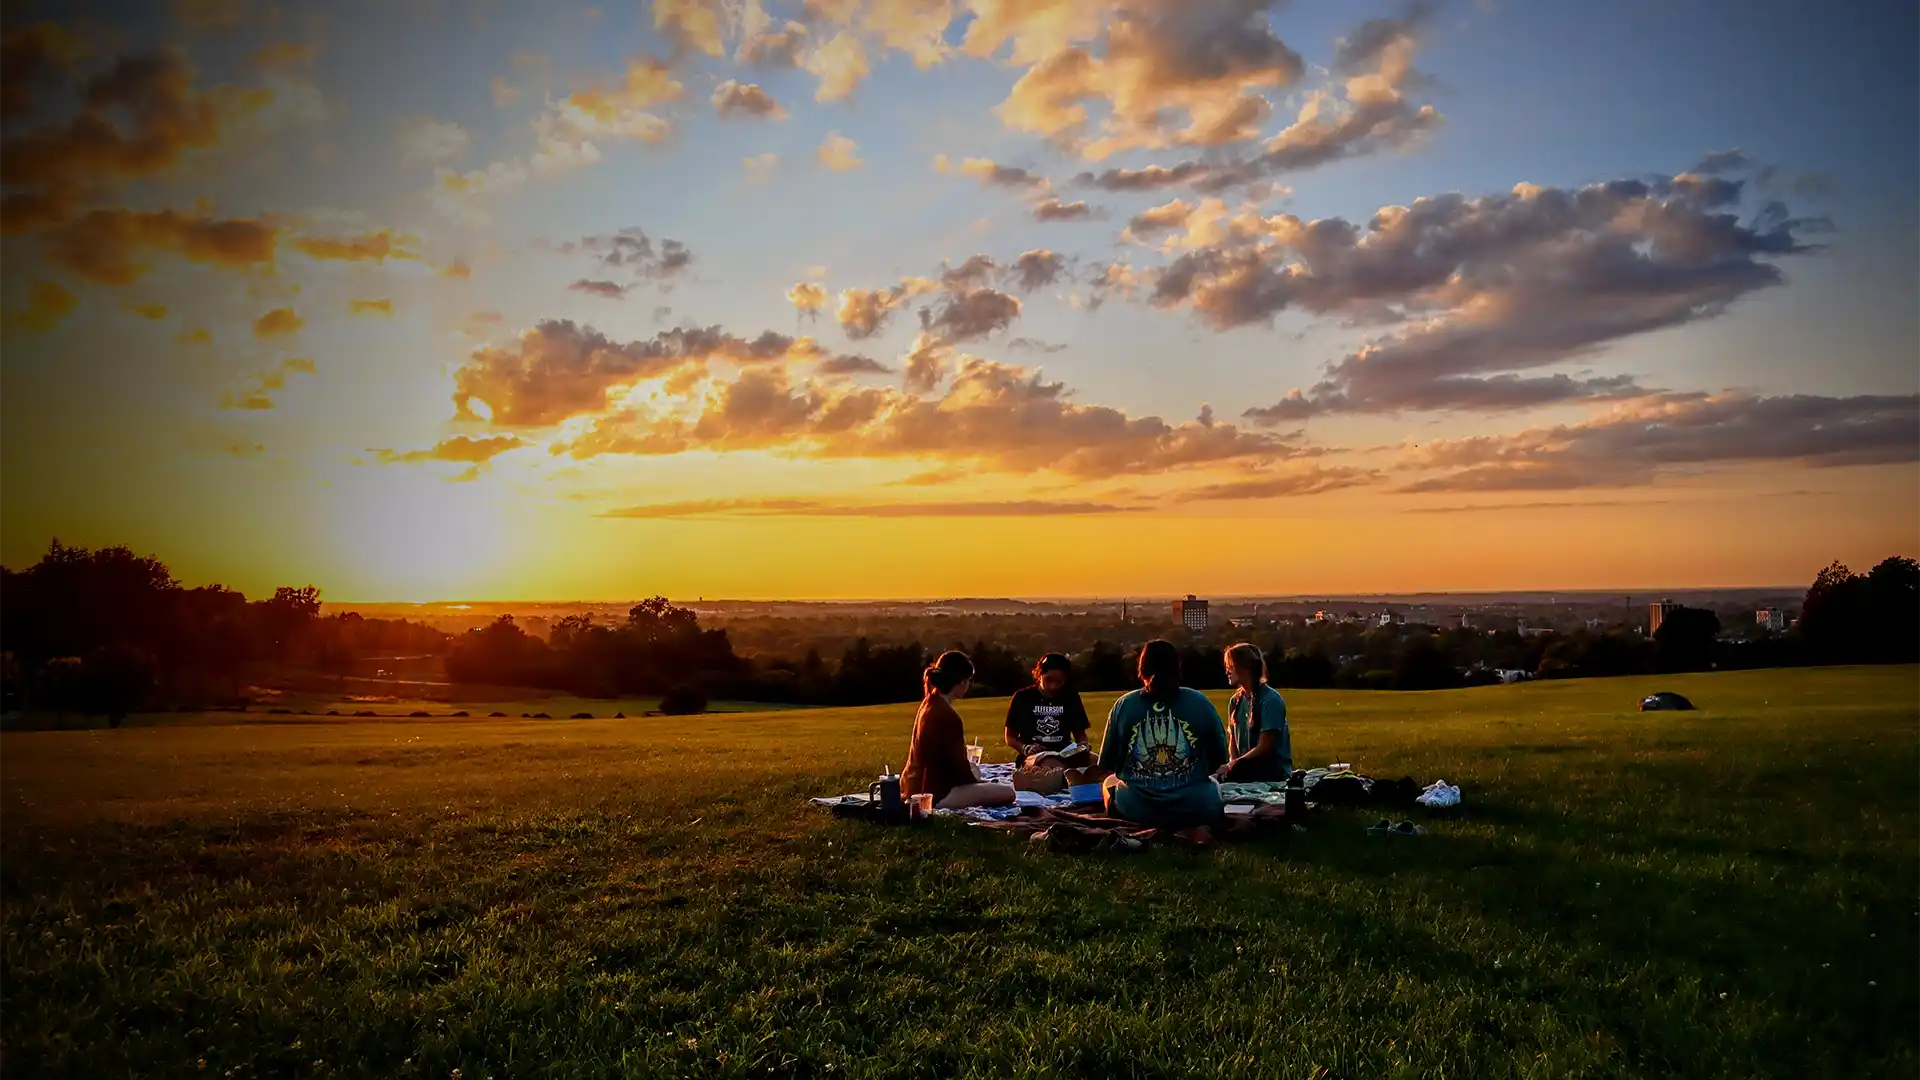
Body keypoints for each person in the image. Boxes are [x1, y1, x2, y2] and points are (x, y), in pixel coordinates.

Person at [1098, 639, 1229, 829]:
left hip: (1138, 809)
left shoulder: (1124, 705)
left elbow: (1107, 764)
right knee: (1214, 785)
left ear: (1142, 669)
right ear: (1177, 668)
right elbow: (1219, 759)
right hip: (1196, 808)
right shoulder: (1200, 703)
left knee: (1109, 782)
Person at [902, 650, 1015, 811]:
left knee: (976, 771)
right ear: (961, 681)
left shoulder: (928, 703)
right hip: (934, 793)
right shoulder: (947, 715)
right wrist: (977, 780)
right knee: (1007, 792)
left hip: (913, 785)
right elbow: (958, 771)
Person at [1218, 642, 1292, 782]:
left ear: (1247, 668)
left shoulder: (1270, 700)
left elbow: (1265, 747)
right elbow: (1232, 742)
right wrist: (1233, 765)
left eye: (1231, 667)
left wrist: (1233, 765)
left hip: (1273, 777)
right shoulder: (1235, 702)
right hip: (1245, 774)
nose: (1227, 671)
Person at [1003, 653, 1092, 767]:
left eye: (1059, 681)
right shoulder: (1022, 697)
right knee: (1053, 767)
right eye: (1048, 680)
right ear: (1039, 674)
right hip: (1033, 756)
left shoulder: (1070, 697)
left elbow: (1080, 734)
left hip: (1065, 752)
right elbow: (1010, 737)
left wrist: (1083, 745)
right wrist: (1025, 748)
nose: (1053, 686)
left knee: (1096, 763)